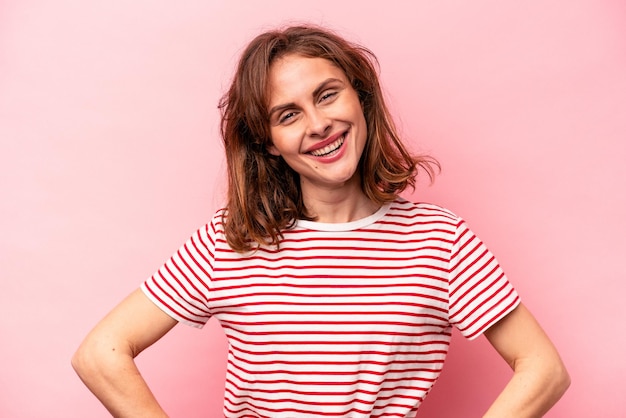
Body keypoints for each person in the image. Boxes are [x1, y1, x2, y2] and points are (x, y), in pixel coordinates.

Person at [72, 25, 570, 417]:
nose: (318, 125)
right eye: (287, 115)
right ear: (268, 141)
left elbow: (544, 369)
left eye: (327, 95)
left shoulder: (441, 241)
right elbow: (101, 353)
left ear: (360, 98)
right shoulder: (230, 240)